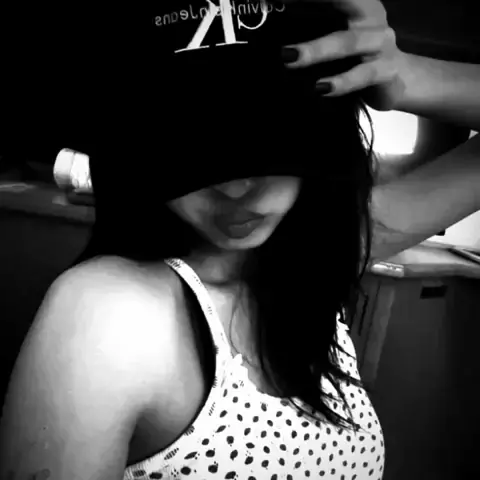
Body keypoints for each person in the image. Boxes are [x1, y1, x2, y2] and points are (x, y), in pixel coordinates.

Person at [1, 1, 480, 479]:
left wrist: (404, 76)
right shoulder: (111, 315)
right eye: (186, 148)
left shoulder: (311, 260)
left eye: (278, 140)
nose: (235, 187)